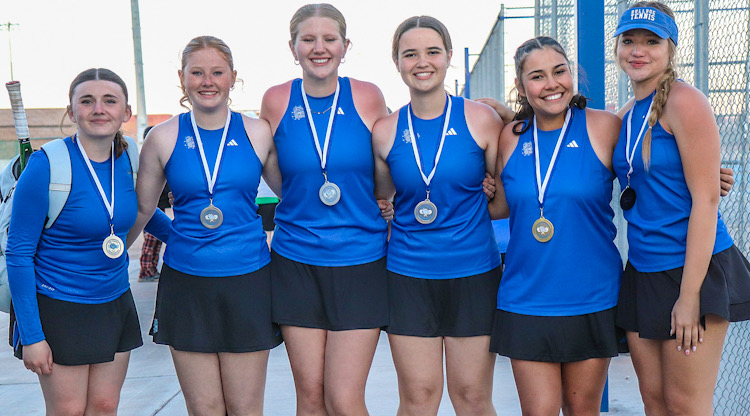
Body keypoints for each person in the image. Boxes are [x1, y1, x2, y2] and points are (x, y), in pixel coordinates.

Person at [126, 36, 282, 415]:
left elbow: (294, 197)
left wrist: (376, 202)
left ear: (233, 77)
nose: (207, 81)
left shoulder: (258, 132)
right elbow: (143, 209)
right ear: (182, 78)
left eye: (217, 72)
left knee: (244, 408)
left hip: (248, 281)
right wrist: (104, 254)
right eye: (197, 73)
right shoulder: (162, 137)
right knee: (204, 408)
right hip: (187, 284)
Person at [612, 3, 750, 415]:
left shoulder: (685, 101)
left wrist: (690, 297)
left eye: (651, 42)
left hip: (691, 270)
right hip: (643, 270)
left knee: (686, 405)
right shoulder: (627, 114)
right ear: (617, 47)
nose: (638, 50)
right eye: (629, 40)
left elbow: (706, 201)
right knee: (655, 403)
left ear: (670, 49)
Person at [259, 4, 390, 415]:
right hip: (296, 261)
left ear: (345, 46)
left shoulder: (367, 96)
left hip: (360, 261)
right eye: (309, 39)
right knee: (311, 397)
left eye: (329, 39)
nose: (319, 48)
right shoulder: (276, 100)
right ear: (293, 47)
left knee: (344, 399)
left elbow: (387, 168)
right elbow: (280, 179)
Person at [372, 16, 503, 416]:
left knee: (472, 397)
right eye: (410, 54)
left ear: (448, 56)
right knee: (418, 398)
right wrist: (384, 207)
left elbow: (503, 200)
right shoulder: (385, 130)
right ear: (397, 62)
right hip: (409, 276)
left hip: (474, 274)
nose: (422, 62)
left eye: (432, 51)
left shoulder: (481, 119)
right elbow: (383, 199)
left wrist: (492, 191)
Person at [486, 36, 624, 415]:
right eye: (537, 76)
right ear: (521, 87)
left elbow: (649, 168)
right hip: (526, 296)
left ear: (572, 74)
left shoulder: (604, 127)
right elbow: (500, 208)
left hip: (591, 296)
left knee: (582, 410)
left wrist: (705, 176)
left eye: (559, 71)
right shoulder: (510, 136)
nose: (551, 84)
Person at [6, 68, 142, 414]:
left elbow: (142, 209)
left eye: (109, 101)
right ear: (71, 112)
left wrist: (190, 237)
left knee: (105, 406)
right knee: (68, 411)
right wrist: (33, 336)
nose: (99, 109)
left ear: (126, 112)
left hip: (114, 301)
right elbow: (19, 254)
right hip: (59, 306)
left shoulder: (128, 157)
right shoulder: (46, 165)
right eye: (87, 101)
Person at [138, 125, 170, 283]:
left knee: (155, 241)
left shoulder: (161, 155)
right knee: (150, 241)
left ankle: (151, 269)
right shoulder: (146, 159)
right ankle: (146, 271)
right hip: (153, 206)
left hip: (159, 205)